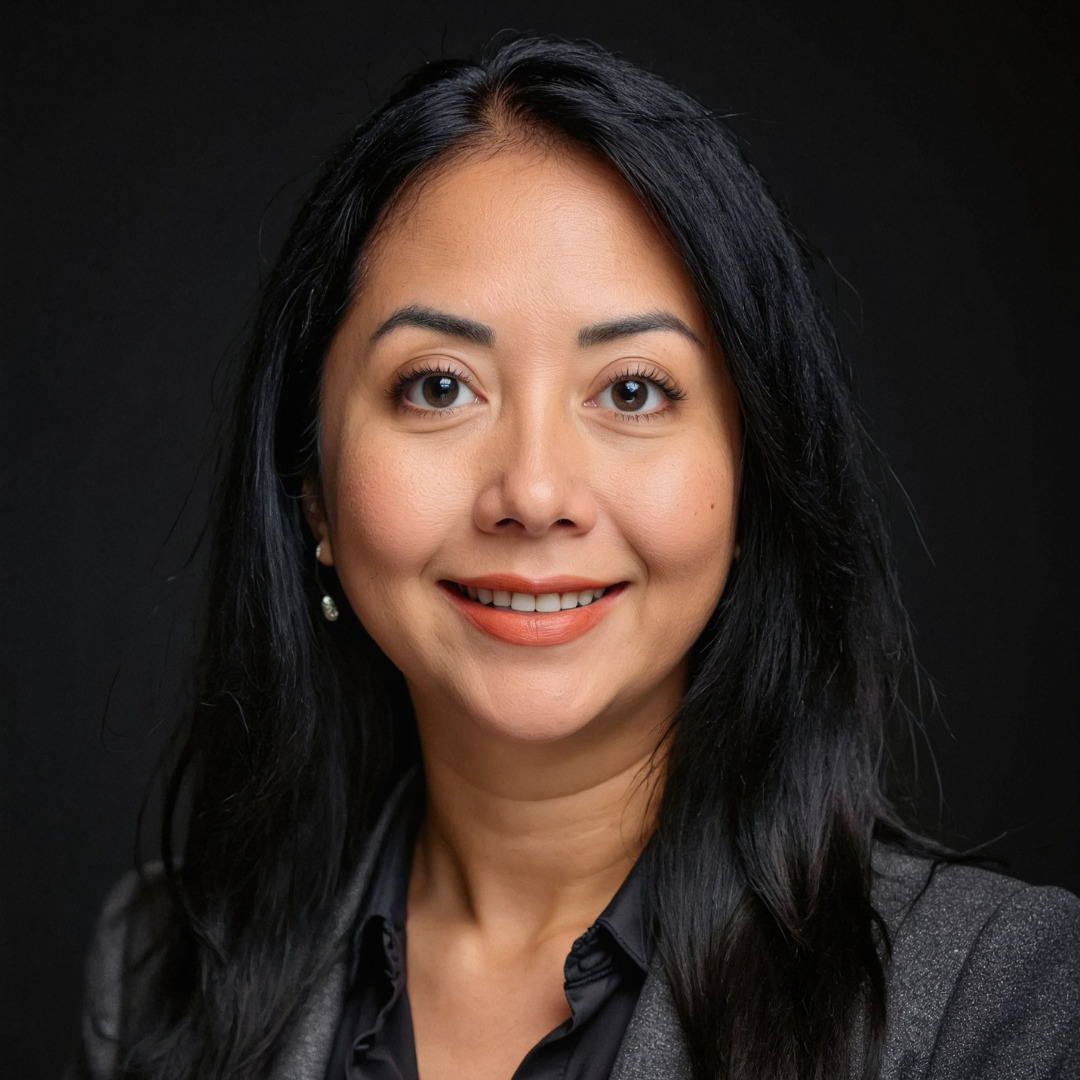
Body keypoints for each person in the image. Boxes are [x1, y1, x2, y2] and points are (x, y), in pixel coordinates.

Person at [67, 34, 1079, 1080]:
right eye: (440, 386)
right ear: (312, 489)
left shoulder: (1002, 999)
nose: (535, 494)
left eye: (633, 390)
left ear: (752, 478)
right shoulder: (157, 968)